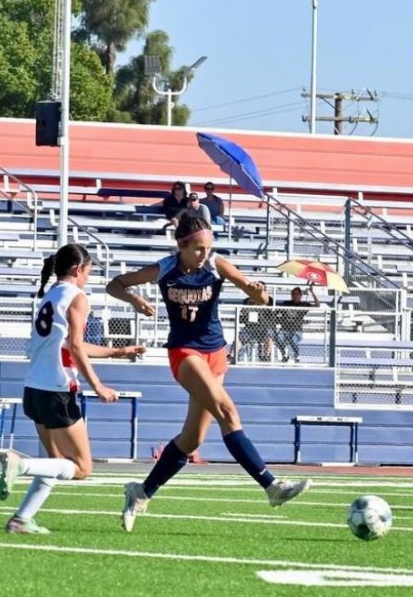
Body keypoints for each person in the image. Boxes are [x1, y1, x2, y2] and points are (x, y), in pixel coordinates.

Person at [105, 211, 313, 532]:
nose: (204, 254)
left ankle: (141, 491)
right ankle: (272, 487)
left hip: (216, 352)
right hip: (184, 353)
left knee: (192, 439)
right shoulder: (165, 268)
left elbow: (259, 296)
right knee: (227, 411)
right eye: (198, 249)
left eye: (208, 247)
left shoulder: (216, 264)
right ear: (182, 246)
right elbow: (114, 284)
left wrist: (259, 295)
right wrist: (133, 299)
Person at [0, 244, 145, 534]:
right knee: (82, 467)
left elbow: (68, 345)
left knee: (52, 463)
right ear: (78, 270)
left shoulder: (49, 296)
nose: (88, 278)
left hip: (34, 389)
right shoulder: (77, 297)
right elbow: (75, 348)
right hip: (58, 390)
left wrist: (118, 351)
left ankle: (21, 519)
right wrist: (98, 386)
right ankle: (18, 465)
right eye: (88, 272)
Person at [274, 285, 320, 362]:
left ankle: (296, 355)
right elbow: (275, 312)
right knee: (278, 338)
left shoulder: (304, 305)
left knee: (293, 339)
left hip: (297, 330)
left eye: (297, 294)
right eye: (293, 294)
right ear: (291, 295)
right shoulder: (285, 304)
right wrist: (279, 319)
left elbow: (317, 305)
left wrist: (312, 292)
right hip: (284, 329)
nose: (295, 296)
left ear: (301, 295)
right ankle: (284, 354)